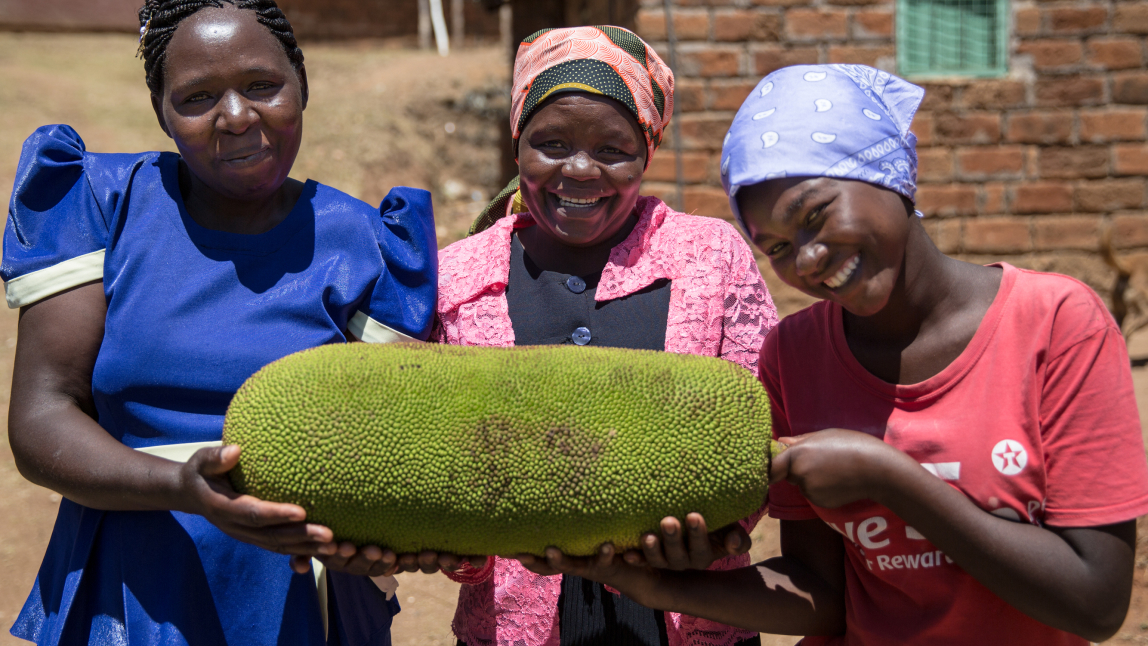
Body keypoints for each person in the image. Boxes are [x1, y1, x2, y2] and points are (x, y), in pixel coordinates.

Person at [522, 63, 1148, 645]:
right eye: (778, 248)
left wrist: (890, 477)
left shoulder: (1055, 325)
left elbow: (1095, 602)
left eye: (817, 216)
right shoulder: (795, 355)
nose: (810, 260)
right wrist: (656, 586)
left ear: (888, 177)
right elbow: (822, 592)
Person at [3, 1, 438, 644]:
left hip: (302, 591)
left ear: (303, 87)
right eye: (198, 96)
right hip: (133, 586)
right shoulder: (102, 204)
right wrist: (180, 486)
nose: (236, 118)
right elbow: (41, 418)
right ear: (161, 112)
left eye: (262, 86)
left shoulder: (366, 244)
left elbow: (398, 442)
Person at [433, 25, 779, 646]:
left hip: (689, 613)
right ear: (518, 146)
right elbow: (440, 457)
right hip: (514, 624)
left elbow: (761, 424)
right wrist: (459, 541)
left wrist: (710, 529)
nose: (580, 170)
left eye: (612, 149)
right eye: (552, 143)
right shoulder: (457, 276)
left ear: (647, 149)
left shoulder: (712, 257)